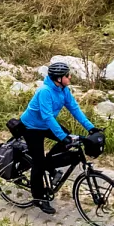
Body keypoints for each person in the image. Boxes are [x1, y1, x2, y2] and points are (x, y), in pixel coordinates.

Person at [18, 60, 96, 213]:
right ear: (58, 78)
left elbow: (74, 108)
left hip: (47, 125)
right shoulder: (45, 91)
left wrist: (91, 128)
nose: (70, 77)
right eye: (68, 75)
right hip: (31, 127)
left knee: (67, 141)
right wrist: (62, 137)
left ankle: (49, 165)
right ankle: (38, 198)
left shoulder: (63, 90)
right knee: (38, 164)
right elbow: (47, 116)